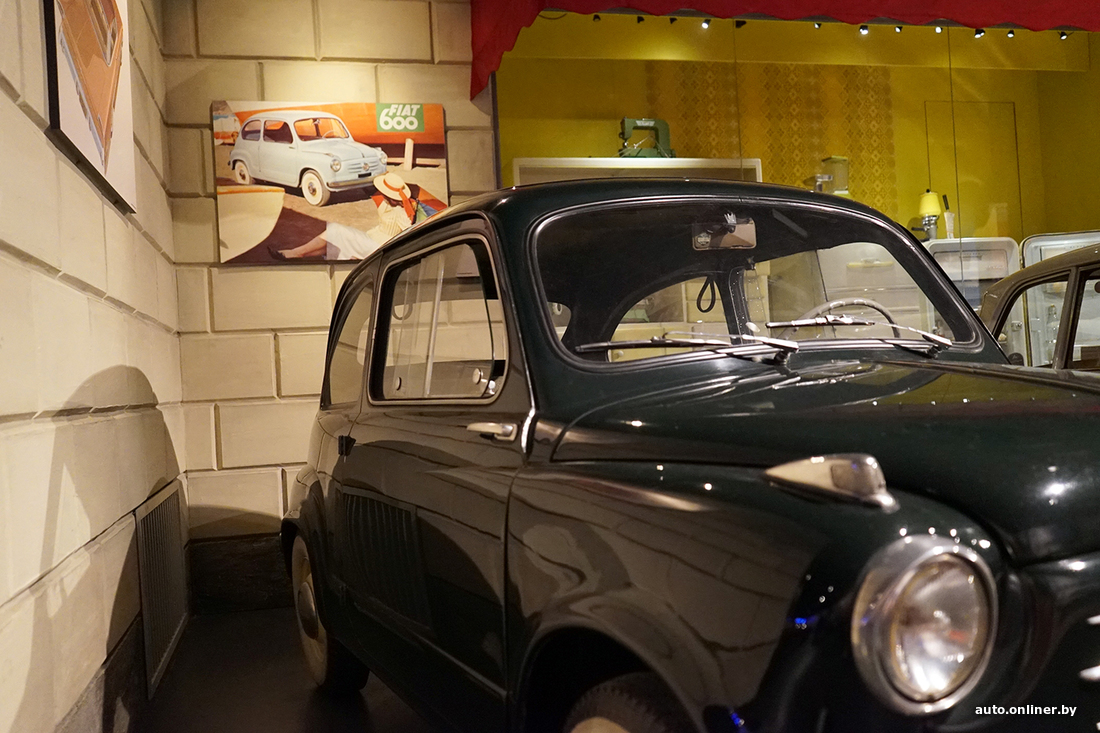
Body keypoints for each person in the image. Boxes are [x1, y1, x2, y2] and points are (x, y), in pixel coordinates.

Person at [271, 172, 420, 260]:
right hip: (372, 238)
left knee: (336, 230)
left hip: (380, 247)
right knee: (336, 239)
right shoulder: (386, 202)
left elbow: (408, 236)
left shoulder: (402, 212)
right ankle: (297, 253)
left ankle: (296, 253)